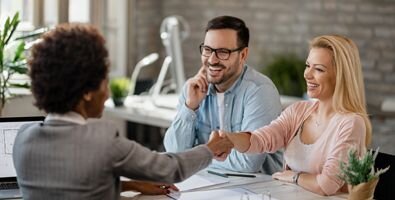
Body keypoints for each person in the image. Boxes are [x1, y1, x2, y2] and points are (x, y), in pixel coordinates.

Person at [12, 23, 233, 200]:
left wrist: (131, 184)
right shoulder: (102, 141)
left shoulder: (24, 138)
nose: (107, 93)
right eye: (104, 82)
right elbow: (169, 168)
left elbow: (67, 188)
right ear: (87, 91)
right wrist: (210, 149)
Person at [220, 35, 372, 196]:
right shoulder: (299, 110)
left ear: (340, 76)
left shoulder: (351, 123)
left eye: (319, 69)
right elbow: (261, 140)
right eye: (308, 66)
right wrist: (229, 140)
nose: (307, 74)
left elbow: (326, 185)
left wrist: (294, 176)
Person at [163, 15, 283, 174]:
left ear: (243, 55)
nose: (212, 60)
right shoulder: (193, 89)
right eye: (207, 50)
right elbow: (175, 152)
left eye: (222, 52)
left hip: (257, 190)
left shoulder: (260, 91)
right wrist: (190, 107)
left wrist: (194, 159)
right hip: (208, 184)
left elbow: (248, 163)